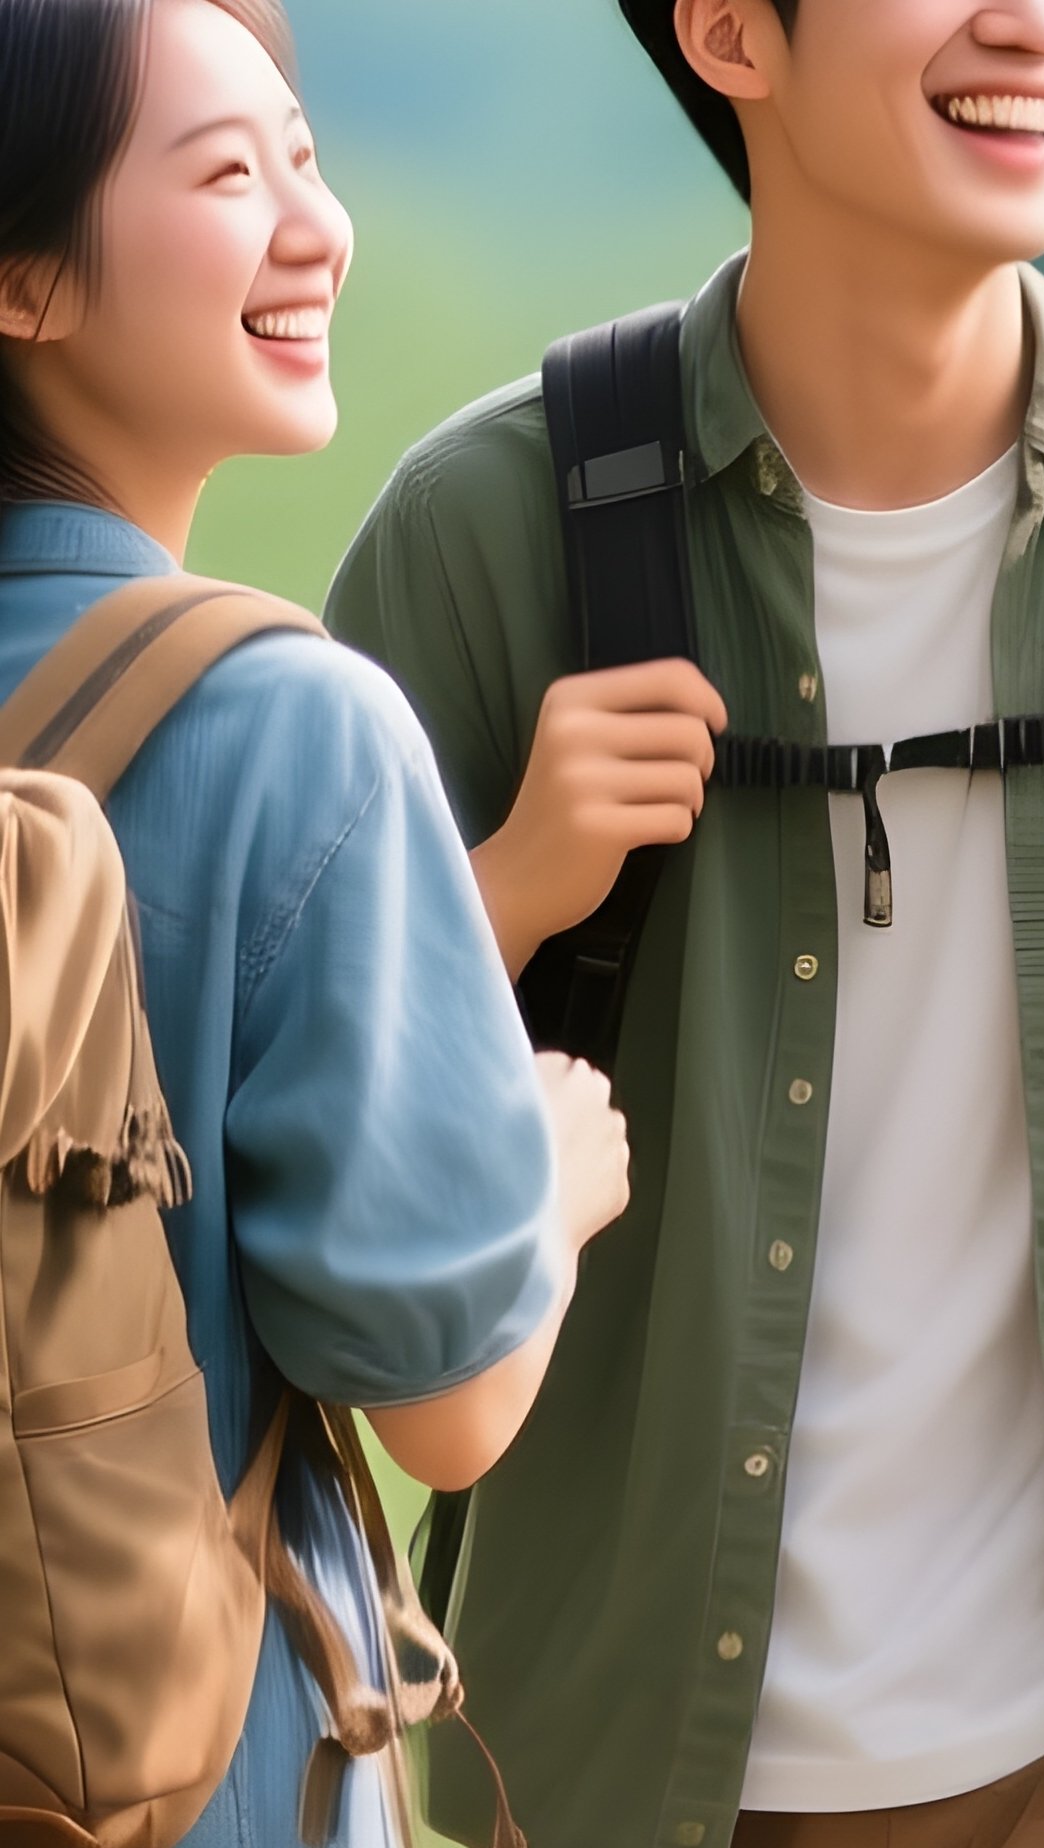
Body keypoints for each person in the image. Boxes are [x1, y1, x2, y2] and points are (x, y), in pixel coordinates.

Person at [329, 2, 1044, 1844]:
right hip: (624, 1757)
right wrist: (501, 888)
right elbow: (308, 1139)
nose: (1042, 27)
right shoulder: (494, 542)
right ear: (733, 34)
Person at [0, 2, 632, 1843]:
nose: (314, 222)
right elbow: (447, 1407)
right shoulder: (291, 725)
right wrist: (550, 1171)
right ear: (24, 278)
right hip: (169, 1780)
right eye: (226, 170)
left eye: (305, 153)